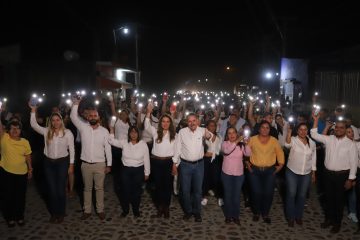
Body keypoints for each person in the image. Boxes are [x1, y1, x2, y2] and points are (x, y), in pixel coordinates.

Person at [311, 114, 357, 233]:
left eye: (341, 128)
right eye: (337, 127)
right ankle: (329, 219)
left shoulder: (351, 144)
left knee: (339, 201)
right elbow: (314, 135)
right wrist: (315, 120)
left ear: (345, 129)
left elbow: (353, 163)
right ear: (334, 128)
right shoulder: (329, 139)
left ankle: (337, 223)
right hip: (328, 175)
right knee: (328, 199)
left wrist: (350, 180)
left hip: (342, 176)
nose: (339, 129)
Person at [29, 104, 75, 223]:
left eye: (58, 120)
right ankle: (54, 213)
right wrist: (33, 110)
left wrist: (71, 165)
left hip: (62, 163)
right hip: (49, 163)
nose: (55, 122)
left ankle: (61, 212)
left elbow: (72, 150)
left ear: (61, 121)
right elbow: (34, 125)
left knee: (60, 189)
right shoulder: (46, 131)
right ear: (51, 121)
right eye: (53, 120)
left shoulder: (67, 133)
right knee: (52, 190)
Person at [70, 97, 112, 221]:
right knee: (87, 189)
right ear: (88, 117)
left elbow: (108, 149)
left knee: (99, 188)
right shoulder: (83, 128)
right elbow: (73, 117)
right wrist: (76, 104)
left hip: (100, 164)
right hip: (86, 164)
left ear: (98, 117)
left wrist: (109, 164)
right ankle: (87, 210)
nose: (93, 117)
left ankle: (100, 210)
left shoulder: (104, 131)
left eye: (95, 115)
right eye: (91, 115)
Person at [172, 113, 213, 222]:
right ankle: (188, 211)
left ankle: (197, 212)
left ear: (197, 121)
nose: (192, 123)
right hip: (185, 165)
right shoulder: (182, 132)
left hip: (199, 165)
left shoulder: (202, 130)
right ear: (187, 122)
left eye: (194, 120)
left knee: (198, 190)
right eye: (189, 121)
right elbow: (177, 148)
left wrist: (208, 135)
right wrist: (174, 164)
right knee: (185, 190)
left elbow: (210, 137)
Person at [245, 120, 285, 224]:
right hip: (254, 171)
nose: (265, 129)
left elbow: (279, 152)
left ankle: (265, 213)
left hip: (269, 171)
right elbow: (245, 152)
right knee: (256, 192)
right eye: (263, 127)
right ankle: (257, 213)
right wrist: (248, 165)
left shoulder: (274, 140)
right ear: (259, 129)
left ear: (270, 130)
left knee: (268, 193)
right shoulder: (252, 139)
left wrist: (280, 165)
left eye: (267, 128)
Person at [109, 126, 150, 218]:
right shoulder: (124, 142)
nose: (133, 134)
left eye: (135, 132)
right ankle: (125, 210)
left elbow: (146, 159)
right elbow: (111, 141)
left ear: (138, 134)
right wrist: (111, 130)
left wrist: (147, 173)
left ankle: (136, 210)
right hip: (125, 170)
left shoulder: (143, 144)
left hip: (138, 170)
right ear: (129, 134)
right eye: (131, 132)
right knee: (125, 191)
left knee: (137, 192)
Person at [0, 113, 32, 228]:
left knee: (20, 196)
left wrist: (30, 169)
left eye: (17, 128)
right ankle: (10, 218)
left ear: (20, 130)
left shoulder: (25, 142)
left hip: (22, 173)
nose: (15, 130)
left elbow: (28, 155)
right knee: (8, 196)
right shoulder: (4, 138)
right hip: (6, 172)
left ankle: (19, 216)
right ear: (8, 130)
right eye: (12, 128)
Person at [144, 103, 176, 218]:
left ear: (170, 123)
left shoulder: (174, 135)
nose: (165, 123)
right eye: (163, 121)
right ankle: (160, 207)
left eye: (168, 121)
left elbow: (177, 151)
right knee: (157, 186)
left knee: (167, 187)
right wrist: (148, 111)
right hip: (156, 162)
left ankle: (166, 207)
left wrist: (175, 165)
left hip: (168, 163)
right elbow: (147, 125)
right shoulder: (155, 132)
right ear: (160, 123)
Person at [284, 123, 316, 227]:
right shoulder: (293, 139)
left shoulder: (312, 142)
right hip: (292, 171)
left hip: (306, 173)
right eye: (301, 129)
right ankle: (290, 217)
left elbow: (313, 158)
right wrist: (289, 132)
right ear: (297, 131)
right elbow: (287, 145)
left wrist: (313, 172)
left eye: (305, 129)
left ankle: (298, 216)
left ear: (307, 131)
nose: (303, 131)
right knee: (291, 194)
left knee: (302, 196)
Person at [221, 127, 251, 225]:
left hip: (239, 174)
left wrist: (246, 144)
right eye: (229, 133)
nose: (232, 135)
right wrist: (238, 140)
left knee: (237, 196)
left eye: (233, 132)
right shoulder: (225, 144)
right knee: (228, 195)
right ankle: (228, 216)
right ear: (227, 135)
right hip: (227, 174)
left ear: (236, 133)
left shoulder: (241, 145)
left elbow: (248, 153)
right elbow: (227, 151)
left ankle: (236, 216)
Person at [201, 120, 222, 207]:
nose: (212, 127)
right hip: (206, 159)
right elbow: (201, 148)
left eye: (214, 126)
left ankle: (220, 196)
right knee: (205, 178)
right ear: (207, 127)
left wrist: (213, 152)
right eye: (210, 125)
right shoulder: (203, 136)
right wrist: (205, 153)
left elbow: (219, 149)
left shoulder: (219, 136)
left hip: (216, 159)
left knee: (217, 178)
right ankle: (204, 196)